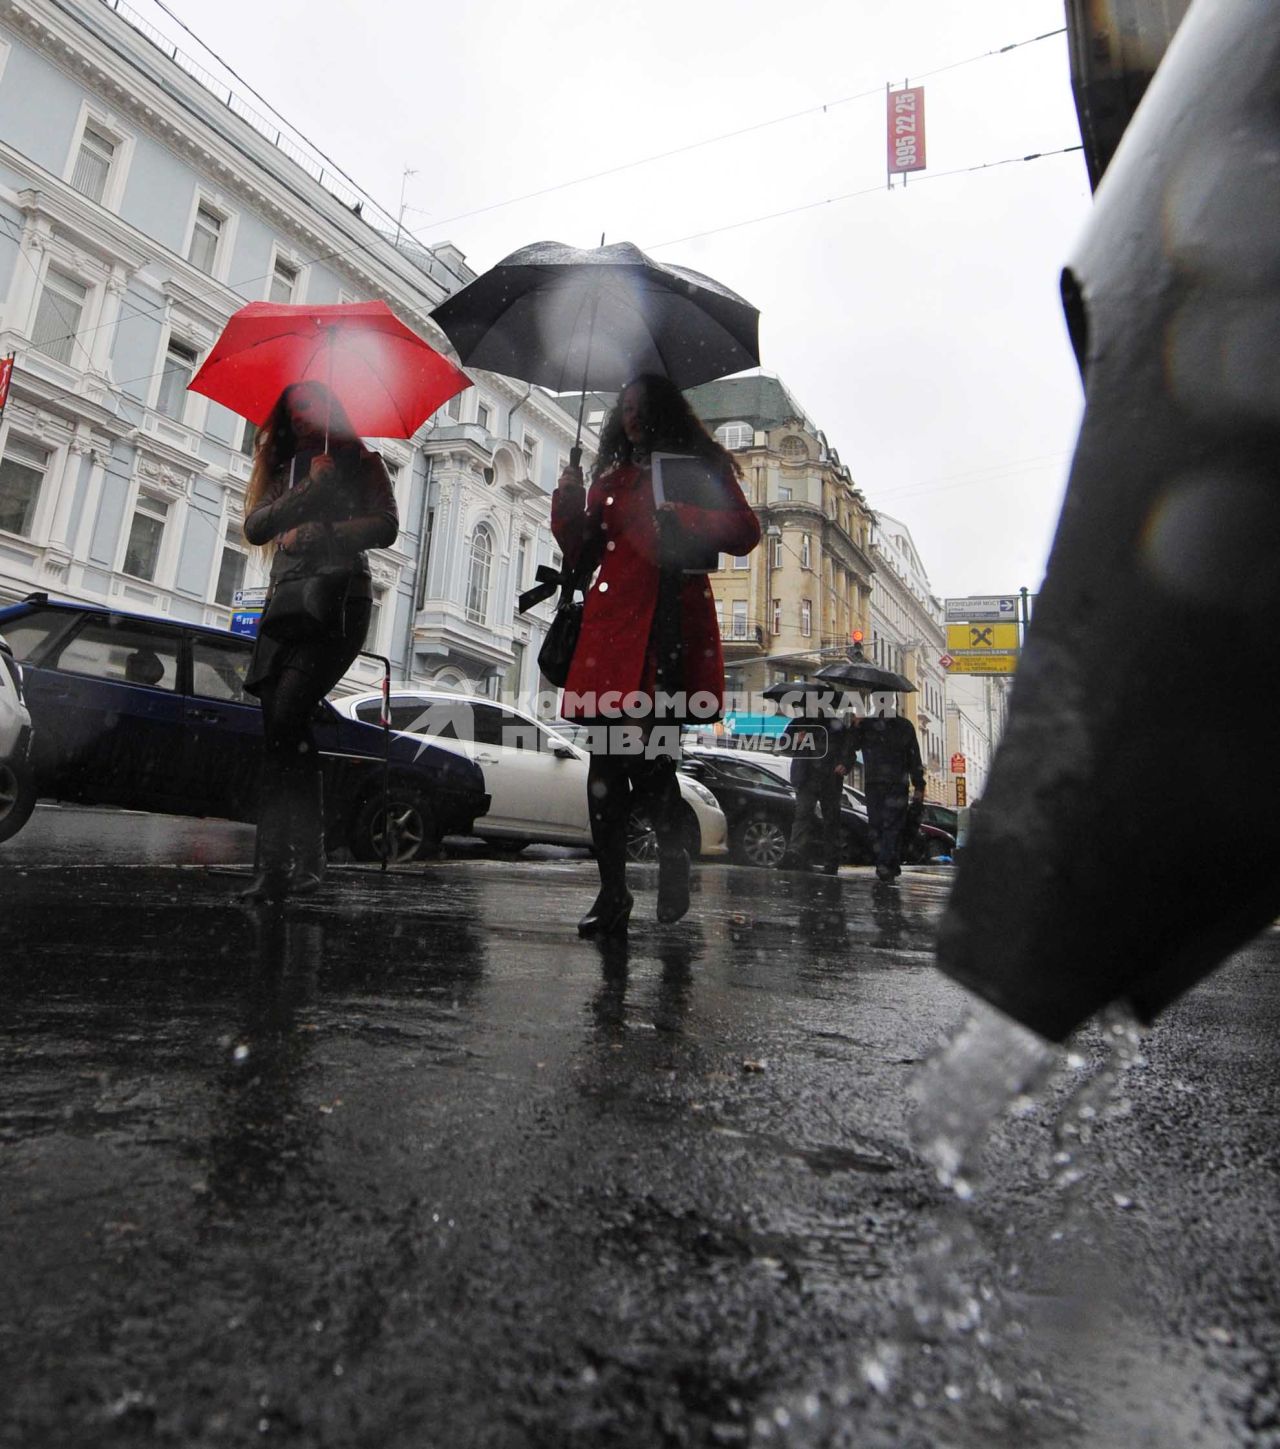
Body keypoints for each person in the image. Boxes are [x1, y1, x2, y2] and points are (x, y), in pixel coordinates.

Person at [552, 373, 760, 936]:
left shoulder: (698, 469)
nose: (634, 417)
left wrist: (687, 516)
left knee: (650, 760)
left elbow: (745, 531)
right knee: (604, 764)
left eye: (643, 408)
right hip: (611, 632)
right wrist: (568, 499)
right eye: (627, 409)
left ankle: (673, 855)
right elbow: (581, 552)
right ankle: (613, 893)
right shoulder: (612, 478)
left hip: (670, 630)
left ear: (665, 411)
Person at [239, 382, 398, 901]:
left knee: (287, 715)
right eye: (296, 409)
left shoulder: (360, 461)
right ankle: (280, 868)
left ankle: (300, 862)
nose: (305, 417)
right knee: (281, 730)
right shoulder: (283, 467)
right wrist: (305, 491)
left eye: (314, 406)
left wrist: (325, 531)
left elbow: (387, 526)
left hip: (337, 601)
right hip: (285, 602)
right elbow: (257, 527)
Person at [783, 690, 854, 874]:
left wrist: (844, 765)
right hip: (806, 778)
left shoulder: (837, 727)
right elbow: (783, 744)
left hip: (830, 779)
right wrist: (795, 741)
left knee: (831, 820)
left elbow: (849, 751)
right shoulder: (800, 723)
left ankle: (831, 862)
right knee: (803, 816)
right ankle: (796, 854)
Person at [856, 699, 925, 884]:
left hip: (883, 783)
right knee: (886, 826)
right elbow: (914, 757)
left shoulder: (876, 725)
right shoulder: (899, 726)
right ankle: (889, 864)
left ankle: (884, 864)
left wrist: (919, 784)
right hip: (889, 783)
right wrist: (919, 784)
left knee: (884, 826)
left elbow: (913, 756)